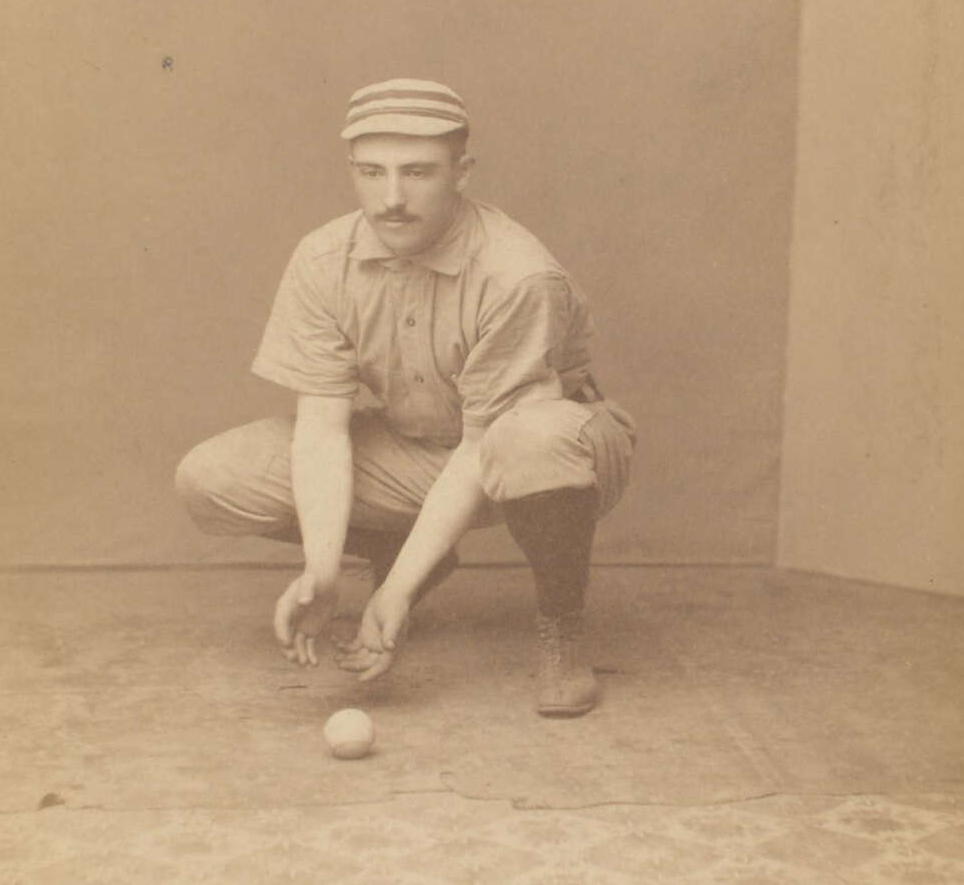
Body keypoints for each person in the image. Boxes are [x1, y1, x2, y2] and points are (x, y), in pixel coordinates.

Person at [175, 78, 635, 716]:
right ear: (353, 171)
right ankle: (405, 553)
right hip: (415, 453)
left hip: (554, 456)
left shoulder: (516, 272)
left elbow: (482, 445)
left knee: (525, 438)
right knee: (212, 476)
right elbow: (322, 430)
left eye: (418, 172)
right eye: (372, 172)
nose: (391, 199)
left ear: (461, 172)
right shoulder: (322, 259)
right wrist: (324, 571)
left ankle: (562, 633)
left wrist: (391, 596)